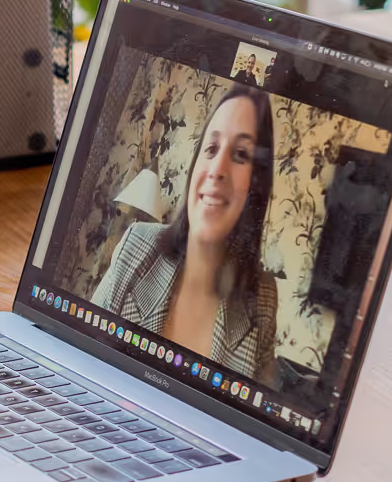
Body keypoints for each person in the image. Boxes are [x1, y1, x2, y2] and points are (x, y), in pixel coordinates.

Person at [92, 84, 280, 384]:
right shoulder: (137, 245)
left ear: (256, 186)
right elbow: (80, 356)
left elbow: (256, 418)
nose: (218, 169)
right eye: (211, 148)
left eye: (241, 154)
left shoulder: (263, 297)